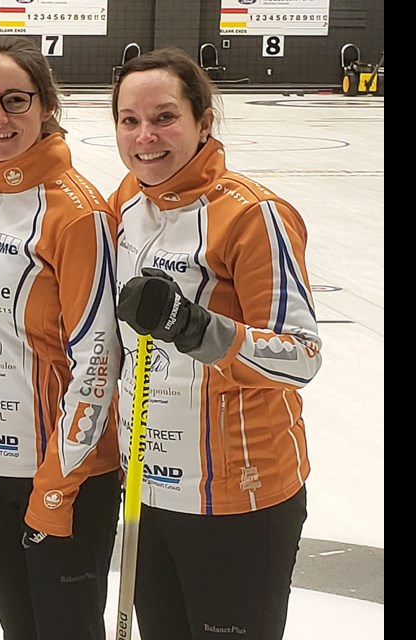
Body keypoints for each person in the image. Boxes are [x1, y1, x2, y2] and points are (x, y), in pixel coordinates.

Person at [109, 47, 321, 640]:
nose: (145, 136)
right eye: (129, 120)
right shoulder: (125, 202)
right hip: (145, 488)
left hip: (238, 498)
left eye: (164, 117)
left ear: (204, 122)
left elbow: (301, 358)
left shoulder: (253, 216)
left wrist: (195, 328)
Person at [0, 36, 122, 640]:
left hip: (58, 472)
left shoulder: (77, 213)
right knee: (18, 626)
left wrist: (56, 485)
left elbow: (98, 361)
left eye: (15, 101)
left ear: (46, 105)